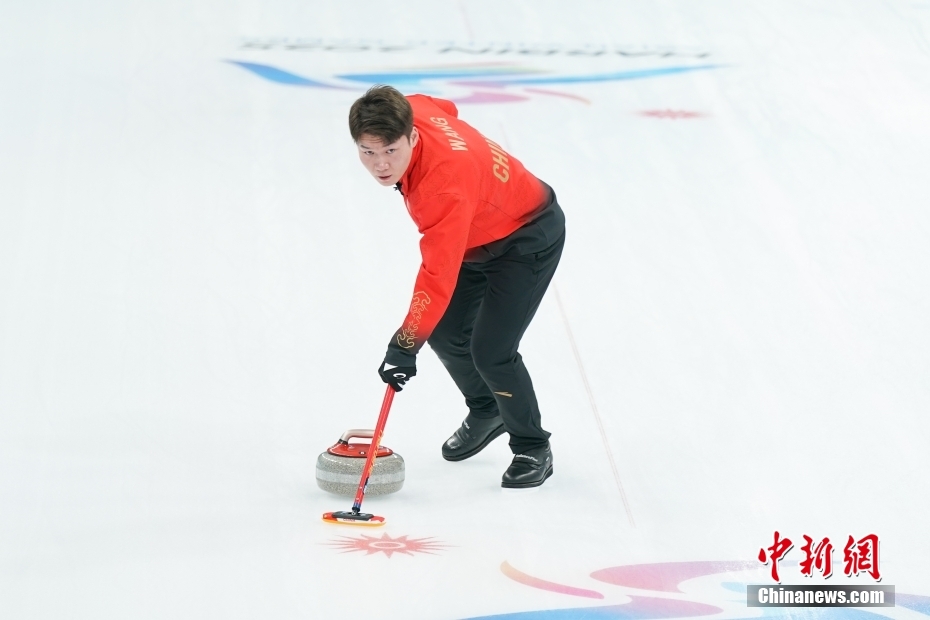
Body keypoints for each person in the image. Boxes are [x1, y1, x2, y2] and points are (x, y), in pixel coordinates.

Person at [348, 85, 565, 488]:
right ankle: (487, 410)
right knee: (447, 334)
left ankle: (533, 447)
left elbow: (437, 275)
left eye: (391, 151)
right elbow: (443, 106)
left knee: (493, 352)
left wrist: (403, 344)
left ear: (412, 136)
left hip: (527, 237)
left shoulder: (441, 189)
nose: (381, 165)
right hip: (476, 233)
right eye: (368, 152)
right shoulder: (410, 109)